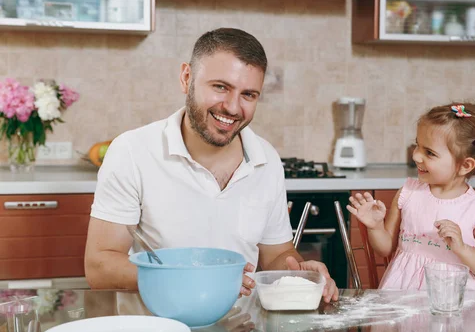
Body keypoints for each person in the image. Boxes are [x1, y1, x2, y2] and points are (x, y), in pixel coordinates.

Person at [84, 28, 338, 303]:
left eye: (248, 95)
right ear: (186, 78)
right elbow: (100, 267)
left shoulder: (266, 159)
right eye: (221, 87)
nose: (232, 107)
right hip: (157, 330)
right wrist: (190, 279)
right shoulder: (132, 151)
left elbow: (276, 254)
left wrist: (298, 273)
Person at [348, 103, 475, 291]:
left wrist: (462, 249)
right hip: (404, 298)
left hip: (457, 304)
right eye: (417, 146)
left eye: (429, 152)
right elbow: (384, 248)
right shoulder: (408, 193)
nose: (417, 156)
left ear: (465, 165)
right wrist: (375, 226)